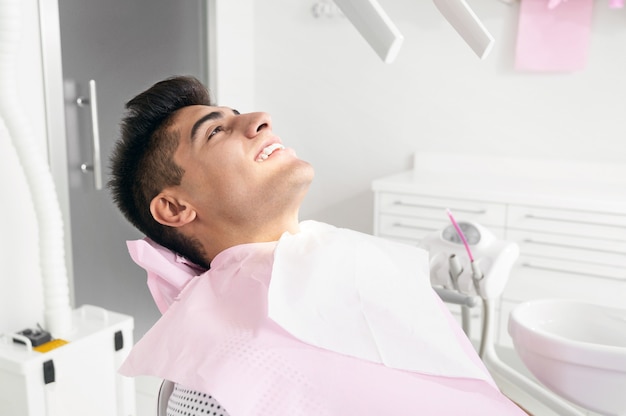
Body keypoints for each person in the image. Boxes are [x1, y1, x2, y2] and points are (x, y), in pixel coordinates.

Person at [109, 76, 527, 416]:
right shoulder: (215, 389)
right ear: (175, 207)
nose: (260, 119)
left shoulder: (341, 254)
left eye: (238, 115)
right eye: (216, 131)